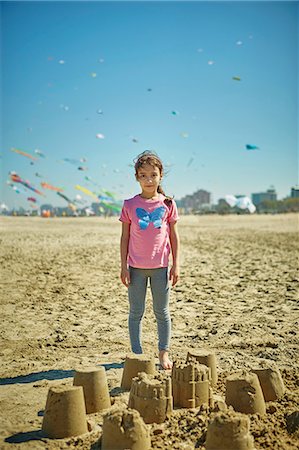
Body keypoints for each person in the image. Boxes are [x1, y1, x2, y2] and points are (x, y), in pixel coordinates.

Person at [119, 151, 180, 369]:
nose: (149, 180)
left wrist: (176, 265)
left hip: (161, 268)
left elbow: (173, 236)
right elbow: (125, 237)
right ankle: (137, 355)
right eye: (143, 175)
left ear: (160, 176)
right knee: (136, 312)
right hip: (135, 268)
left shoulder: (168, 204)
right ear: (137, 177)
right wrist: (124, 267)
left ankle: (164, 353)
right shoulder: (129, 204)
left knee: (162, 313)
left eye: (153, 175)